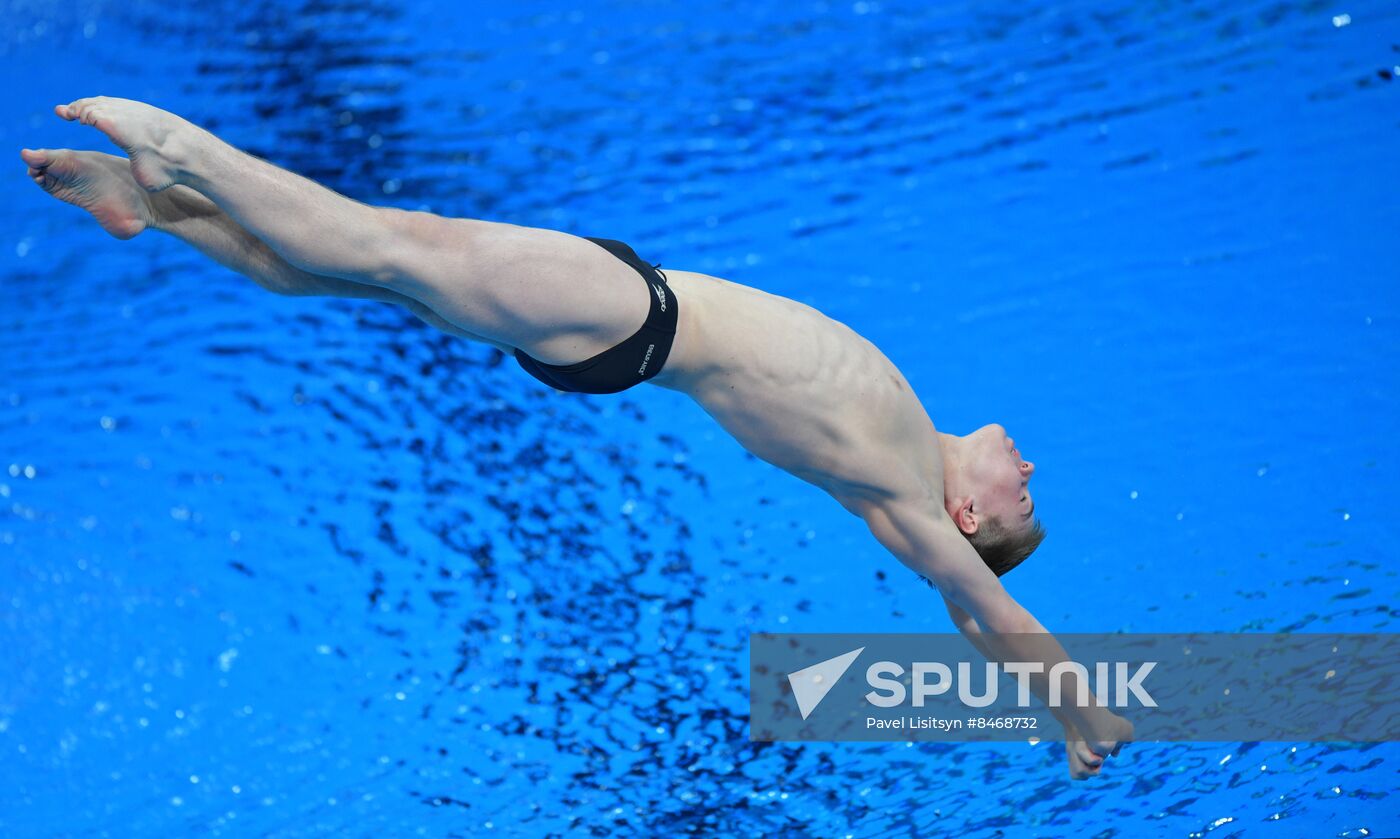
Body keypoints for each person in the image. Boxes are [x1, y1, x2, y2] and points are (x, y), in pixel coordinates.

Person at [20, 96, 1131, 779]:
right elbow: (979, 610)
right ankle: (149, 206)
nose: (1028, 467)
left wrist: (1072, 704)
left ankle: (180, 154)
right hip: (623, 311)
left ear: (968, 515)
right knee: (355, 279)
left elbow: (986, 609)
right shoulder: (901, 438)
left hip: (629, 317)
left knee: (385, 245)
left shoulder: (897, 483)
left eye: (1021, 498)